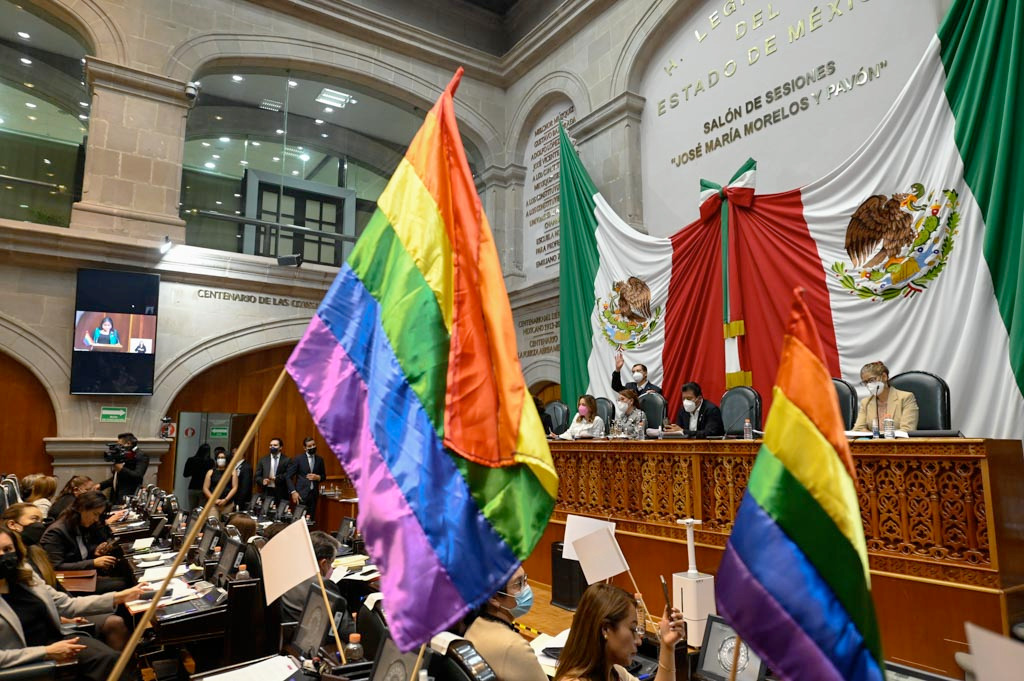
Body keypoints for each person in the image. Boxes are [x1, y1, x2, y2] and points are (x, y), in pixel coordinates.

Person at [0, 526, 142, 679]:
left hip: (58, 640)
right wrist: (46, 652)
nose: (3, 556)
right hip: (27, 661)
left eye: (8, 549)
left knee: (112, 658)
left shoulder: (25, 575)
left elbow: (67, 604)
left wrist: (120, 597)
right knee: (106, 661)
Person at [2, 505, 132, 651]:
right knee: (114, 623)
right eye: (34, 519)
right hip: (46, 635)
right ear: (12, 524)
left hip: (62, 609)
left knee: (122, 592)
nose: (39, 525)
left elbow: (57, 598)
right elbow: (25, 612)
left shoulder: (34, 551)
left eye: (41, 519)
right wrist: (61, 618)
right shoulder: (16, 566)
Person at [555, 583, 683, 681]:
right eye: (633, 629)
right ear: (605, 629)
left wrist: (667, 646)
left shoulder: (615, 673)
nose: (638, 641)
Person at [464, 566, 547, 681]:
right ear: (493, 598)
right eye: (518, 584)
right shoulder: (513, 646)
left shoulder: (474, 624)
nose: (527, 589)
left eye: (525, 580)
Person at [40, 492, 130, 594]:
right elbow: (55, 566)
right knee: (125, 583)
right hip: (68, 582)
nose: (96, 519)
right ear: (82, 509)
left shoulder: (78, 525)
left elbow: (78, 552)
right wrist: (93, 563)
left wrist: (94, 550)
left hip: (84, 573)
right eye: (95, 514)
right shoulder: (56, 532)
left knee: (124, 572)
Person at [279, 531, 355, 640]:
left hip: (291, 637)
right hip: (315, 644)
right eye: (331, 563)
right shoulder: (321, 584)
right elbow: (347, 632)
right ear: (323, 563)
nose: (331, 568)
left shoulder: (288, 574)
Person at [852, 361, 919, 432]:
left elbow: (908, 429)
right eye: (865, 382)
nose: (869, 385)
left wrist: (877, 435)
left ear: (884, 377)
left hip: (898, 442)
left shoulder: (906, 398)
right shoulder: (866, 402)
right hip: (873, 443)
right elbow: (857, 429)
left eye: (872, 380)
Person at [98, 432, 149, 504]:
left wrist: (122, 469)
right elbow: (118, 477)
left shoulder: (141, 455)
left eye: (120, 445)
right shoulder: (122, 455)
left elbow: (138, 475)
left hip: (129, 496)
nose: (118, 447)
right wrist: (101, 485)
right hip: (115, 496)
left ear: (128, 443)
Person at [287, 437, 325, 520]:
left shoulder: (320, 460)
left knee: (311, 519)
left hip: (313, 494)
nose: (312, 447)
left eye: (314, 445)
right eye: (309, 446)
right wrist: (293, 492)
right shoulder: (298, 459)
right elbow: (288, 477)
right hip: (301, 495)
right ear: (305, 448)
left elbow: (323, 476)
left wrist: (318, 477)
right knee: (299, 519)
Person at [202, 449, 238, 517]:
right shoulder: (210, 472)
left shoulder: (232, 472)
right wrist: (214, 499)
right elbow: (205, 488)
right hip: (213, 504)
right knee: (213, 525)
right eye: (219, 458)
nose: (220, 459)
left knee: (225, 525)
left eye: (223, 458)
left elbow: (235, 487)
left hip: (228, 504)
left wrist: (226, 500)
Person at [255, 438, 291, 504]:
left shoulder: (287, 460)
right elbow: (257, 476)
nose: (272, 447)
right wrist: (262, 481)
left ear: (280, 447)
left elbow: (288, 475)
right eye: (271, 445)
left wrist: (276, 478)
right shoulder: (263, 460)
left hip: (281, 493)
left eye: (275, 445)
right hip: (266, 492)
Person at [182, 443, 213, 511]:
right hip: (204, 488)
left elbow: (185, 474)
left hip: (193, 486)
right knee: (201, 511)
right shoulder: (210, 462)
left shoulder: (191, 460)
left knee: (192, 509)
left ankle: (191, 521)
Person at [231, 446, 254, 511]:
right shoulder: (234, 466)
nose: (233, 455)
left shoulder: (246, 467)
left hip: (241, 501)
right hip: (234, 499)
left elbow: (245, 487)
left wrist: (239, 503)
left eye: (235, 453)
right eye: (233, 453)